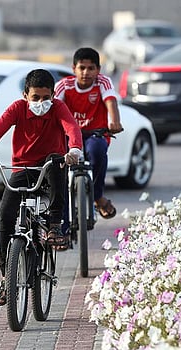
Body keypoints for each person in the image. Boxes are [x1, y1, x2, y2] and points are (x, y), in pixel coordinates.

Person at [0, 69, 83, 306]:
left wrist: (74, 150)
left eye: (46, 98)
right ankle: (5, 274)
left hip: (49, 168)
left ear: (52, 95)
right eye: (36, 98)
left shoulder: (59, 108)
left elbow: (71, 128)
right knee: (5, 215)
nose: (41, 103)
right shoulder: (17, 109)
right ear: (25, 95)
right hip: (22, 169)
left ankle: (54, 226)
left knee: (55, 161)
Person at [54, 47, 123, 221]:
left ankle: (97, 196)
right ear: (73, 69)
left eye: (91, 68)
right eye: (81, 68)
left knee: (98, 151)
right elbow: (53, 106)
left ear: (98, 70)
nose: (86, 73)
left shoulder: (103, 82)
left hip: (95, 133)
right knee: (60, 169)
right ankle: (61, 226)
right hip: (70, 136)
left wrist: (114, 121)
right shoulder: (65, 85)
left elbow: (111, 101)